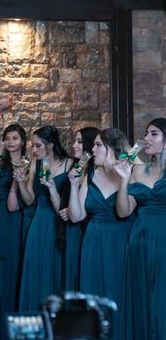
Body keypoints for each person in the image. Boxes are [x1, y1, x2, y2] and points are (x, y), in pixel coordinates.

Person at [67, 128, 132, 340]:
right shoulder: (91, 175)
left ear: (112, 148)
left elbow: (125, 212)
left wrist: (124, 179)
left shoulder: (131, 172)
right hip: (93, 242)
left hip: (121, 241)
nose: (92, 149)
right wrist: (74, 185)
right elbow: (76, 216)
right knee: (93, 297)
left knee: (119, 295)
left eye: (97, 145)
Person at [116, 118, 166, 339]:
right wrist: (124, 181)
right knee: (142, 297)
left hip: (163, 239)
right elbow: (124, 211)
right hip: (140, 239)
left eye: (153, 134)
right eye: (146, 134)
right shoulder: (138, 170)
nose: (146, 138)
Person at [18, 125, 71, 311]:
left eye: (37, 145)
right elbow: (29, 199)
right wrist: (20, 183)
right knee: (36, 270)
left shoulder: (69, 164)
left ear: (50, 144)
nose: (34, 150)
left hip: (60, 224)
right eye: (33, 146)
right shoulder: (35, 164)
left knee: (56, 269)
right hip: (39, 222)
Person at [0, 124, 28, 338]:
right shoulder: (0, 163)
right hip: (0, 218)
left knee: (18, 268)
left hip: (21, 218)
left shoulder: (30, 162)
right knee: (0, 271)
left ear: (22, 141)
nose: (10, 142)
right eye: (7, 139)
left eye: (15, 138)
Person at [61, 126, 98, 292]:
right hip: (70, 229)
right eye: (75, 141)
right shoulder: (75, 168)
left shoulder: (95, 172)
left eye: (80, 141)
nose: (74, 145)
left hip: (86, 230)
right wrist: (65, 209)